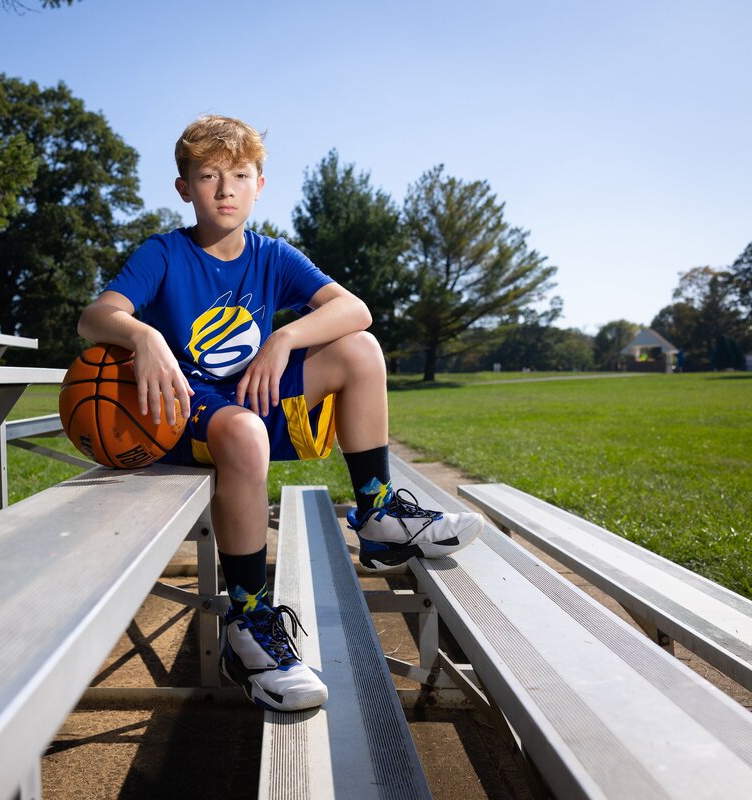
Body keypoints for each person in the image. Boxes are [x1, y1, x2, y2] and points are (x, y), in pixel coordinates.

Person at [77, 115, 480, 712]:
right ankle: (247, 624)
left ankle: (375, 510)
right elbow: (93, 318)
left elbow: (356, 310)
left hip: (248, 401)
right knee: (240, 428)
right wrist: (142, 336)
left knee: (359, 351)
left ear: (259, 184)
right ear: (184, 187)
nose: (225, 189)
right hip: (184, 414)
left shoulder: (272, 256)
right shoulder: (163, 254)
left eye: (239, 175)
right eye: (208, 176)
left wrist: (284, 338)